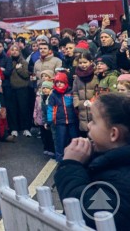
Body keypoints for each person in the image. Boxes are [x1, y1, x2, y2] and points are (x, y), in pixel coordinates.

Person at [54, 93, 130, 229]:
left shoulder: (122, 178)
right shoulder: (111, 161)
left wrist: (71, 165)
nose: (89, 125)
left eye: (94, 121)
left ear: (113, 134)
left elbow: (89, 210)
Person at [47, 72, 79, 162]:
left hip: (72, 120)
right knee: (60, 140)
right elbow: (50, 108)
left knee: (74, 139)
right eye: (57, 82)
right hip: (60, 121)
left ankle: (76, 157)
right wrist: (50, 120)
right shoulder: (53, 94)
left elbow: (75, 105)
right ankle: (60, 158)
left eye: (61, 82)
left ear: (65, 82)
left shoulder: (71, 92)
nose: (59, 84)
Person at [73, 53, 99, 138]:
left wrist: (94, 102)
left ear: (90, 62)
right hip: (81, 108)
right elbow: (75, 92)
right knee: (84, 132)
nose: (83, 65)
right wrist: (77, 104)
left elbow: (98, 91)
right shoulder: (77, 77)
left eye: (85, 62)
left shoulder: (96, 76)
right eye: (80, 63)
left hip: (94, 107)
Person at [34, 80, 56, 157]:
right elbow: (43, 111)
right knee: (45, 135)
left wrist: (50, 121)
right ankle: (47, 148)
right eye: (43, 88)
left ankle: (53, 150)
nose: (45, 90)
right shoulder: (42, 98)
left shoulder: (52, 98)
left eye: (47, 88)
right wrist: (44, 121)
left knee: (52, 136)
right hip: (45, 119)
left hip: (52, 120)